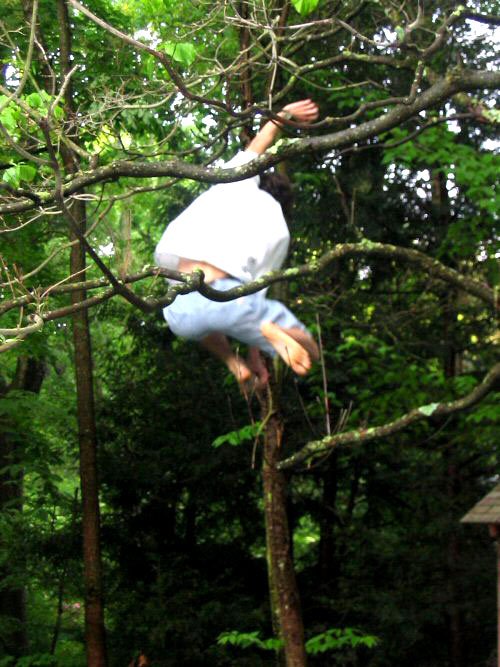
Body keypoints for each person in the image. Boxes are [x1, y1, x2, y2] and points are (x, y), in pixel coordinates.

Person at [154, 99, 320, 388]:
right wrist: (257, 348)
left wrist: (285, 113)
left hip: (180, 306)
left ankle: (233, 363)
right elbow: (255, 291)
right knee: (310, 349)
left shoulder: (236, 182)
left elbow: (263, 139)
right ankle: (268, 331)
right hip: (231, 300)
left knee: (198, 323)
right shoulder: (279, 230)